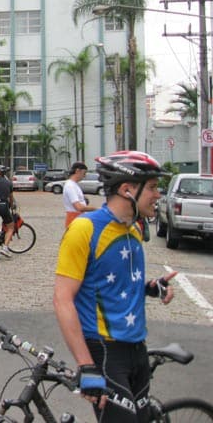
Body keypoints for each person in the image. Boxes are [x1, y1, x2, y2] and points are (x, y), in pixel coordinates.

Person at [54, 151, 176, 422]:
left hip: (137, 348)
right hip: (105, 352)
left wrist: (151, 287)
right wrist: (86, 364)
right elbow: (62, 299)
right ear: (127, 189)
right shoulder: (85, 230)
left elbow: (119, 282)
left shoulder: (133, 229)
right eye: (152, 187)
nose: (158, 195)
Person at [63, 162, 96, 228]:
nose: (84, 176)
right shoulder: (70, 186)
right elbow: (79, 207)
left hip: (78, 218)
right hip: (74, 218)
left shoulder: (74, 185)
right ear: (77, 171)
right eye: (84, 173)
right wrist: (96, 209)